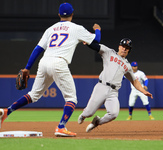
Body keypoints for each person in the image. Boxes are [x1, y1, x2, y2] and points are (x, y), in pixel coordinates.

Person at [0, 2, 101, 137]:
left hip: (44, 62)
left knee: (33, 95)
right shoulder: (77, 28)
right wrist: (98, 29)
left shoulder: (51, 29)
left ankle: (7, 111)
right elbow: (97, 40)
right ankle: (61, 127)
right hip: (59, 62)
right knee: (71, 98)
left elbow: (38, 49)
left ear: (59, 14)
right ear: (72, 14)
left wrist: (27, 68)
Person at [77, 38, 153, 133]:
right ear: (119, 46)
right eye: (123, 46)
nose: (124, 49)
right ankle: (83, 115)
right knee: (89, 113)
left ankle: (97, 122)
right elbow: (96, 47)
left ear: (129, 50)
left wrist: (143, 91)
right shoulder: (109, 52)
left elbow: (134, 81)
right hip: (102, 86)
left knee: (113, 114)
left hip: (113, 92)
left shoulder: (128, 66)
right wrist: (88, 43)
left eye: (127, 48)